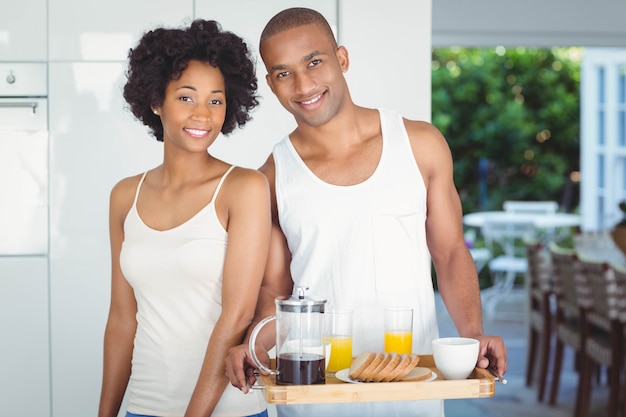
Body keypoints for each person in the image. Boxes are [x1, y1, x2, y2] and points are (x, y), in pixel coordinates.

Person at [226, 7, 508, 417]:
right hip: (314, 394)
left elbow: (449, 253)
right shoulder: (270, 176)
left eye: (315, 62)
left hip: (410, 387)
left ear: (342, 59)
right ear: (271, 84)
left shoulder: (421, 144)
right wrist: (253, 345)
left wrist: (473, 336)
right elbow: (276, 290)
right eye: (284, 73)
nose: (303, 85)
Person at [98, 19, 272, 417]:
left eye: (216, 100)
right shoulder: (125, 196)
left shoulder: (244, 188)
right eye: (186, 98)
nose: (203, 115)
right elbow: (123, 320)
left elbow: (238, 314)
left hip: (228, 408)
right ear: (156, 100)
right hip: (145, 405)